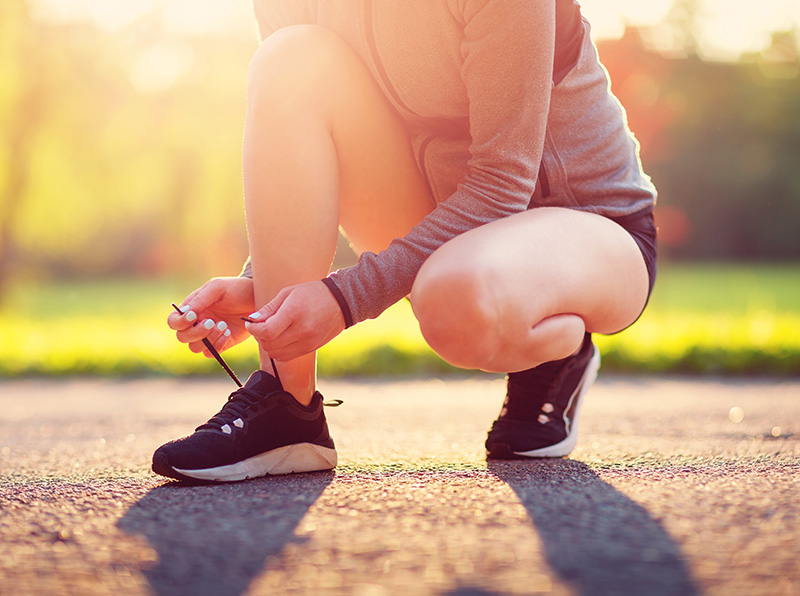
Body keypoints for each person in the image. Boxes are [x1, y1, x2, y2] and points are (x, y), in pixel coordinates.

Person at [152, 0, 657, 483]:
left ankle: (556, 349)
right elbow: (310, 149)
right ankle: (286, 408)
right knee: (290, 57)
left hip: (590, 228)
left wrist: (345, 299)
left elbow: (502, 183)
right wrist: (265, 287)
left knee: (455, 299)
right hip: (446, 225)